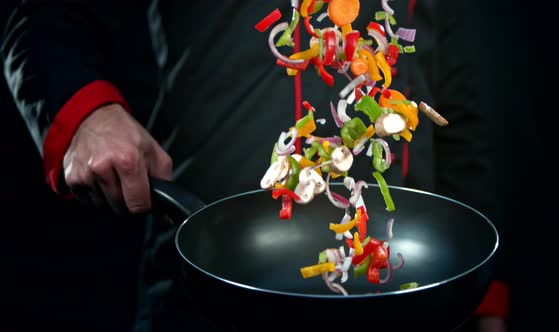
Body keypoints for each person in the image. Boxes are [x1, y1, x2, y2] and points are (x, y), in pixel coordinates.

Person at [1, 0, 509, 331]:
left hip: (403, 298)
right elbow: (43, 18)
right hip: (212, 286)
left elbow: (456, 113)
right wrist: (89, 113)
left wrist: (486, 304)